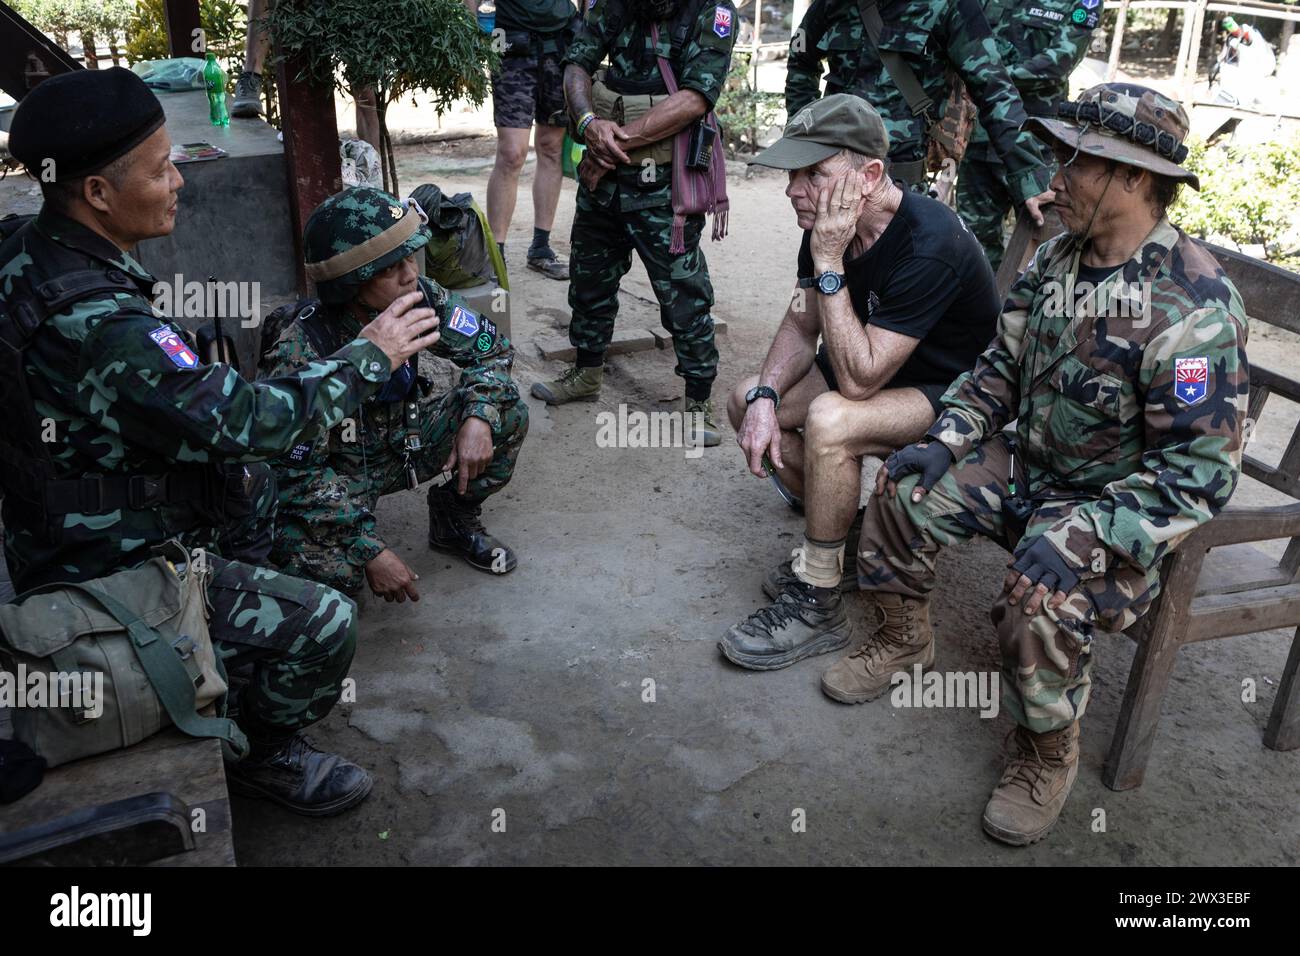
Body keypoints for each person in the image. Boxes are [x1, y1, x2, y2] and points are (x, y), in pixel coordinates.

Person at [0, 68, 441, 816]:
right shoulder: (97, 320)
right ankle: (265, 754)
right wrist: (374, 353)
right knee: (324, 621)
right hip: (108, 565)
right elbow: (252, 421)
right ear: (98, 194)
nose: (180, 180)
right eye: (161, 168)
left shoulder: (29, 252)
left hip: (60, 519)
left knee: (258, 500)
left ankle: (230, 656)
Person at [850, 83, 1249, 845]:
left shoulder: (1193, 306)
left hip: (1116, 509)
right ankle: (902, 636)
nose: (1054, 178)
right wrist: (949, 437)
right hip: (1026, 467)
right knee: (903, 486)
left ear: (1135, 178)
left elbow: (1197, 474)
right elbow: (998, 368)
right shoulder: (1059, 259)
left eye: (1077, 161)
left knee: (1040, 598)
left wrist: (1082, 537)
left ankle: (1046, 750)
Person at [718, 94, 1001, 670]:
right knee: (745, 397)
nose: (793, 189)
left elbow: (859, 380)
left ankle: (819, 598)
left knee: (831, 420)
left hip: (954, 397)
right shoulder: (830, 225)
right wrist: (768, 397)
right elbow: (802, 323)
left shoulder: (930, 241)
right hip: (873, 362)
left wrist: (828, 259)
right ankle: (843, 541)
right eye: (792, 173)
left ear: (869, 175)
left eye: (813, 174)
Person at [259, 186, 529, 600]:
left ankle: (453, 520)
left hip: (407, 444)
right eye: (390, 268)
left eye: (410, 257)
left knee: (506, 411)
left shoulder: (418, 297)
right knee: (335, 585)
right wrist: (370, 549)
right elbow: (294, 474)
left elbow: (493, 351)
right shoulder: (302, 349)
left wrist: (478, 415)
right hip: (339, 478)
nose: (410, 274)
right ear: (351, 284)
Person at [529, 0, 737, 445]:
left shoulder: (713, 11)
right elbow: (577, 63)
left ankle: (698, 400)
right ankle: (586, 373)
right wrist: (587, 122)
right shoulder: (614, 4)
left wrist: (611, 144)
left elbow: (696, 97)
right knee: (589, 279)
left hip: (665, 186)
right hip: (603, 181)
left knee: (683, 295)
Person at [784, 0, 1054, 226]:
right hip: (832, 184)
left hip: (900, 189)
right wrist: (805, 138)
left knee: (898, 283)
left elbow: (994, 88)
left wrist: (1030, 175)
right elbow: (801, 58)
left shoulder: (950, 6)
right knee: (823, 277)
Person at [956, 0, 1094, 271]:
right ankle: (976, 308)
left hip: (1036, 145)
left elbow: (1062, 59)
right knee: (971, 239)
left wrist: (991, 77)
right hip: (981, 136)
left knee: (1042, 239)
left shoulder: (1078, 3)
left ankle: (1025, 308)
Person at [465, 0, 578, 279]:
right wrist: (469, 40)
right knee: (511, 153)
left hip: (560, 43)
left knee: (551, 147)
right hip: (510, 46)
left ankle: (541, 248)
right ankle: (495, 254)